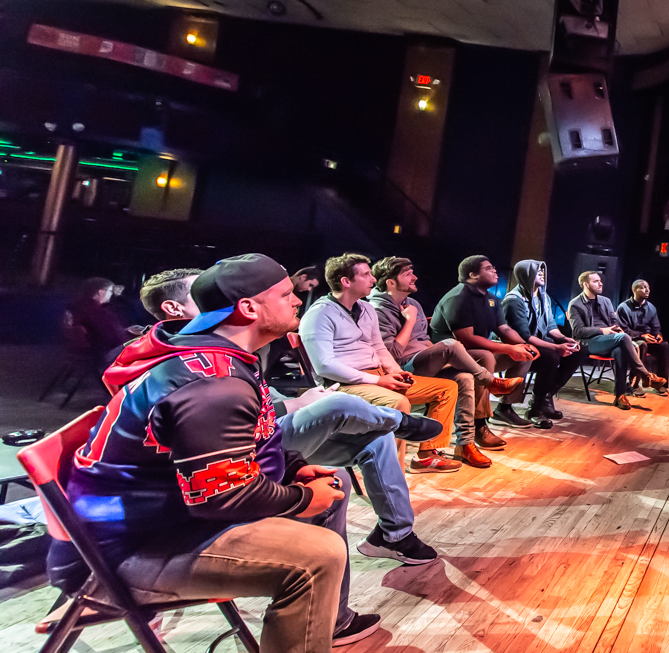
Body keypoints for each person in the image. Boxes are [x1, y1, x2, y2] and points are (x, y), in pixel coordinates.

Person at [48, 253, 380, 652]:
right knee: (317, 556)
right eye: (285, 294)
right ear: (249, 308)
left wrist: (294, 469)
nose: (297, 300)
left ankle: (329, 623)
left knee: (334, 481)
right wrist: (301, 498)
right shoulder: (215, 384)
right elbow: (221, 496)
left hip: (165, 522)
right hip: (121, 555)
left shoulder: (221, 356)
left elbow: (255, 439)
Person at [139, 268, 442, 565]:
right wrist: (300, 492)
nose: (297, 300)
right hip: (195, 502)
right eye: (204, 297)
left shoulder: (222, 352)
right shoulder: (199, 367)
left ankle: (394, 536)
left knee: (370, 442)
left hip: (259, 444)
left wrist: (295, 461)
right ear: (173, 308)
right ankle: (400, 422)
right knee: (339, 405)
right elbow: (221, 469)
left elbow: (256, 407)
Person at [300, 253, 461, 474]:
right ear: (346, 281)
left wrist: (396, 371)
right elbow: (325, 366)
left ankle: (427, 456)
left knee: (447, 388)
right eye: (366, 274)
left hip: (378, 377)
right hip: (344, 384)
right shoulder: (319, 314)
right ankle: (390, 474)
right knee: (398, 403)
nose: (373, 279)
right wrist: (378, 380)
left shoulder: (365, 309)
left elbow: (379, 347)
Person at [368, 255, 520, 468]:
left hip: (422, 361)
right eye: (408, 274)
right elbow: (391, 353)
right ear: (391, 282)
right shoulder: (377, 310)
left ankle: (462, 445)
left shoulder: (412, 303)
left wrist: (440, 358)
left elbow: (424, 340)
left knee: (465, 377)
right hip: (401, 367)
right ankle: (490, 381)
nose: (415, 277)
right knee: (451, 345)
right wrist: (409, 321)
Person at [428, 256, 541, 428]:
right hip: (448, 358)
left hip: (472, 354)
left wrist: (523, 345)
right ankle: (478, 422)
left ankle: (504, 409)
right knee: (485, 356)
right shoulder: (459, 297)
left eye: (493, 267)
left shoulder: (491, 299)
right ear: (473, 275)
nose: (494, 270)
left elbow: (504, 329)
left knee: (524, 355)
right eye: (488, 268)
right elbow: (466, 339)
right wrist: (508, 349)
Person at [501, 260, 586, 423]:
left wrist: (564, 339)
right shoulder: (514, 300)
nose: (541, 273)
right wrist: (556, 347)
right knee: (550, 357)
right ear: (525, 275)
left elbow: (551, 325)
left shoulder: (543, 296)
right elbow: (524, 336)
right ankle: (536, 409)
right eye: (537, 271)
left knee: (579, 351)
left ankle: (546, 397)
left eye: (542, 270)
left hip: (538, 343)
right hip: (519, 347)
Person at [567, 271, 665, 410]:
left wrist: (616, 330)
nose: (600, 283)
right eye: (596, 281)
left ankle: (620, 396)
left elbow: (615, 323)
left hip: (609, 340)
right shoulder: (575, 304)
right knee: (624, 337)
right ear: (585, 284)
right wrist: (603, 330)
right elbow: (578, 331)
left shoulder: (605, 301)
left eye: (600, 280)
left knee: (620, 350)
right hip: (589, 342)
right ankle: (646, 375)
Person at [616, 279, 669, 397]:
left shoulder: (651, 308)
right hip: (630, 340)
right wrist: (641, 336)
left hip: (647, 338)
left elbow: (656, 327)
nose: (647, 290)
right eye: (643, 287)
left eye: (648, 287)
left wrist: (658, 335)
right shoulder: (623, 307)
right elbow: (623, 330)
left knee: (664, 346)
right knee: (642, 344)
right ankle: (633, 385)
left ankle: (659, 383)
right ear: (634, 290)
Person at [69, 276, 131, 362]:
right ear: (101, 292)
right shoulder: (98, 311)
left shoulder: (76, 307)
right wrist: (130, 335)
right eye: (110, 291)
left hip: (80, 352)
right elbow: (114, 339)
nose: (111, 295)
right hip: (102, 354)